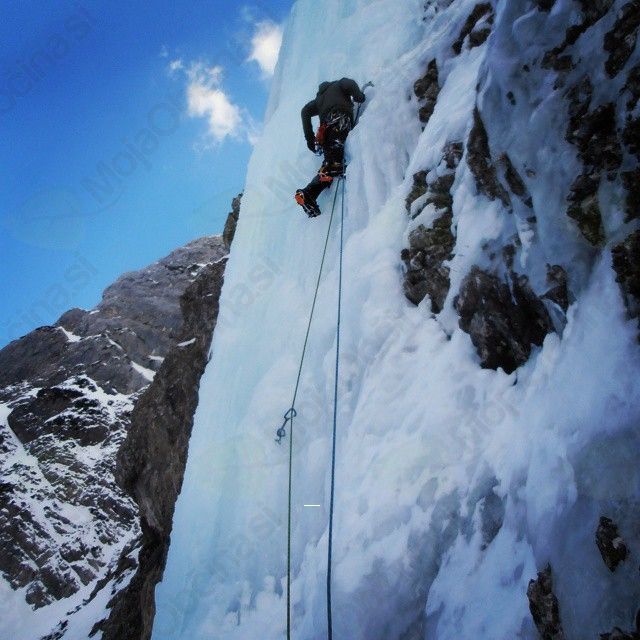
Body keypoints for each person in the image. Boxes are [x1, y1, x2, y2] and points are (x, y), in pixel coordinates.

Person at [295, 78, 366, 217]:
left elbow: (305, 112)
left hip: (325, 132)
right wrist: (359, 97)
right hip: (339, 120)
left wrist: (310, 139)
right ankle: (334, 172)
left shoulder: (318, 100)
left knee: (329, 164)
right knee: (334, 164)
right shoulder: (338, 84)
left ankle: (309, 193)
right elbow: (349, 84)